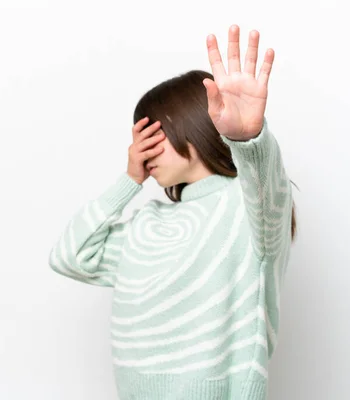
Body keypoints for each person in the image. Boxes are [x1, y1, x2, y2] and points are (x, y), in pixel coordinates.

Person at [48, 24, 297, 400]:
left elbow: (268, 187)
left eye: (154, 132)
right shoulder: (148, 224)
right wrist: (129, 180)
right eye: (139, 136)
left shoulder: (245, 208)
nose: (145, 147)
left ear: (194, 125)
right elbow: (70, 256)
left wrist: (247, 138)